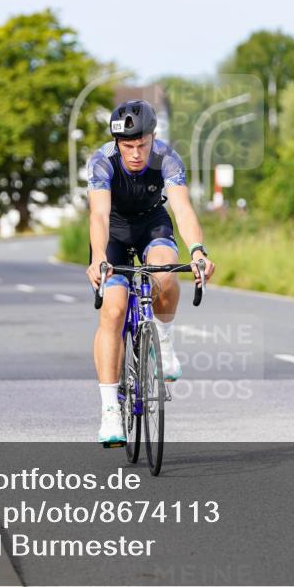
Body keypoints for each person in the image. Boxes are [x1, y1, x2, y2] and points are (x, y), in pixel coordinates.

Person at [85, 99, 216, 445]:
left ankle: (166, 342)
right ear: (117, 143)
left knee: (165, 274)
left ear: (152, 137)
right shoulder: (102, 161)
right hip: (113, 233)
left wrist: (198, 251)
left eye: (141, 145)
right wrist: (98, 256)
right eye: (127, 146)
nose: (135, 154)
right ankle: (110, 410)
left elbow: (183, 209)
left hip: (152, 226)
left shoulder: (167, 158)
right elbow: (98, 215)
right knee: (112, 311)